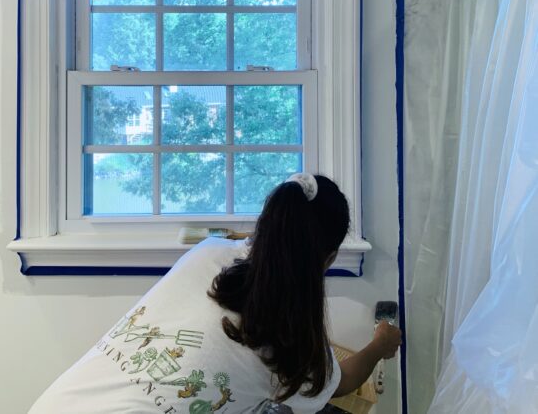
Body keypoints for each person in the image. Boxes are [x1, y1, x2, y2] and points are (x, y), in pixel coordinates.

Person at [28, 174, 401, 414]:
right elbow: (342, 384)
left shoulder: (207, 253)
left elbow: (240, 247)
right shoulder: (292, 347)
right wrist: (380, 345)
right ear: (330, 257)